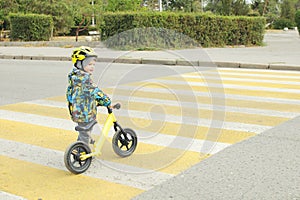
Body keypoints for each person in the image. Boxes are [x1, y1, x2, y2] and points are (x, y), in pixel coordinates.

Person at [66, 46, 111, 145]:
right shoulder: (84, 79)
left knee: (85, 132)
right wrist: (107, 101)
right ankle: (83, 152)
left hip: (78, 111)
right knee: (85, 133)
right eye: (89, 64)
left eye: (93, 64)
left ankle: (80, 146)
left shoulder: (75, 77)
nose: (92, 67)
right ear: (79, 64)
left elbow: (80, 94)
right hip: (85, 113)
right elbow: (94, 92)